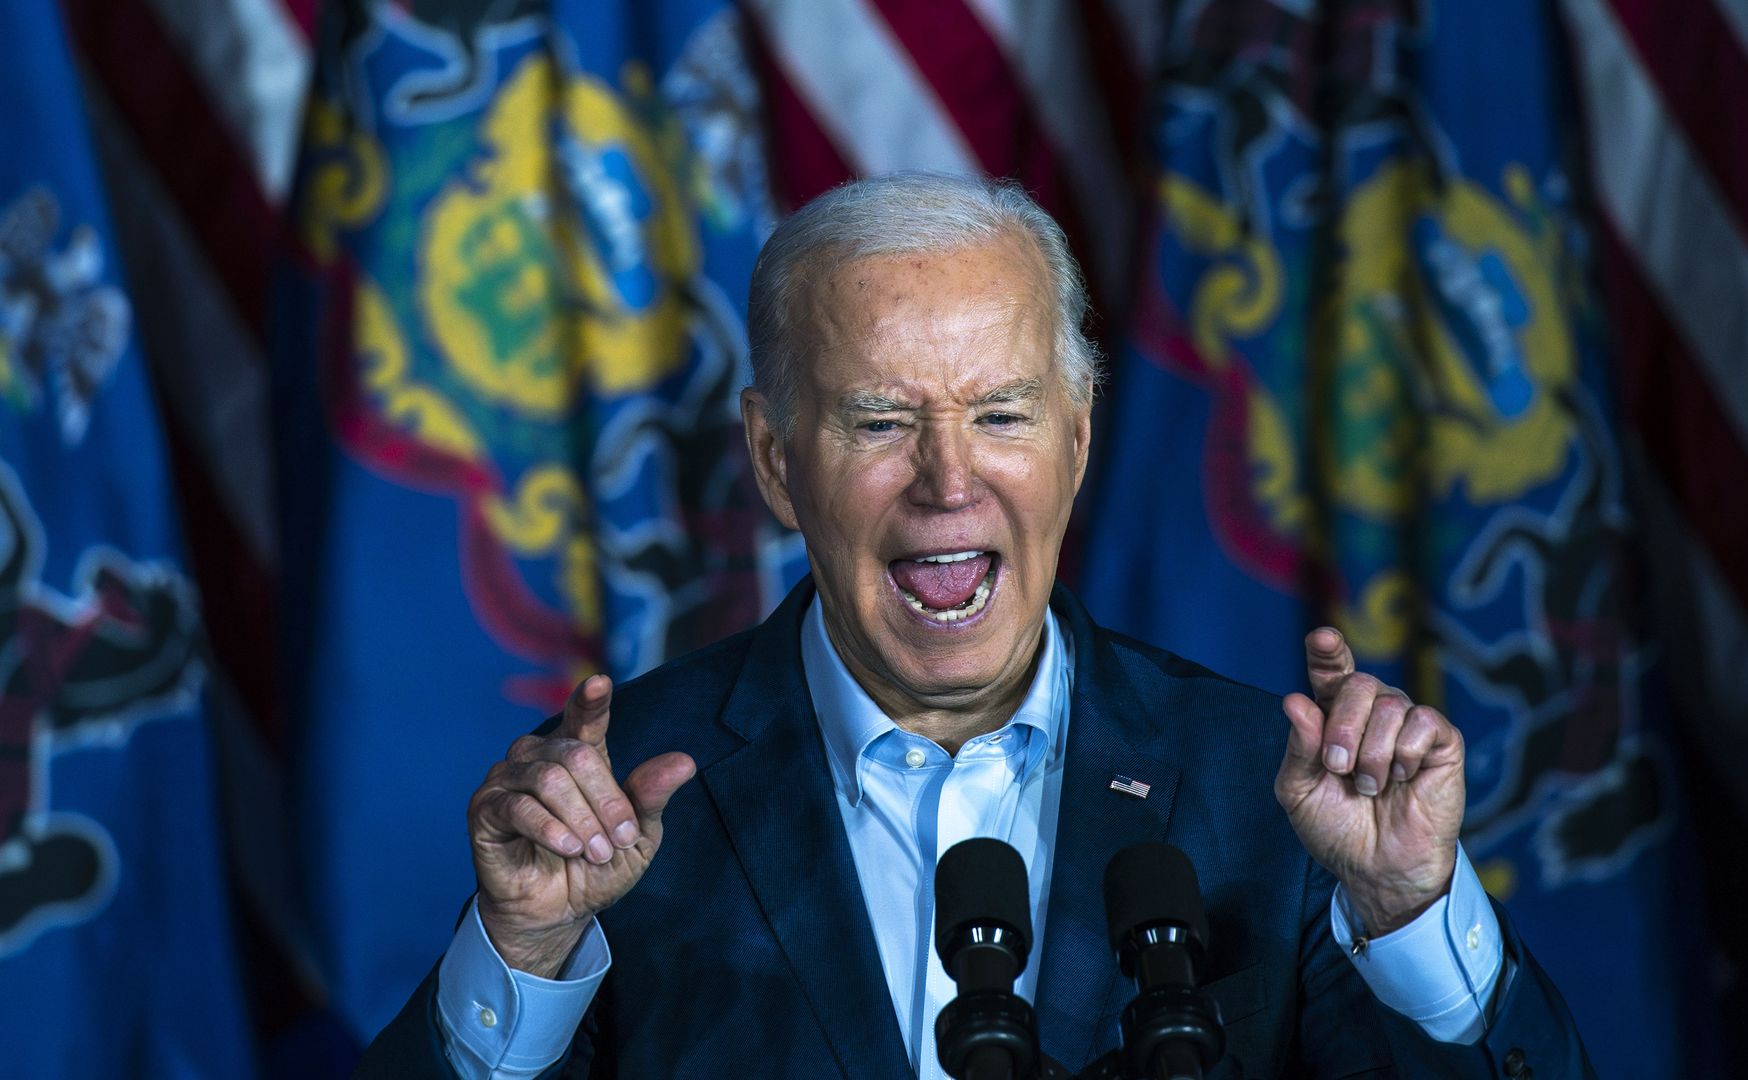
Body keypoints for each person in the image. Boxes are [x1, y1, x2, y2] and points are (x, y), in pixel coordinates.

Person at [359, 173, 1591, 1078]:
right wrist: (523, 954)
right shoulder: (615, 802)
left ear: (1078, 441)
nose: (949, 483)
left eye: (1001, 414)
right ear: (777, 460)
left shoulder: (1272, 791)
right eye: (880, 423)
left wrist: (1411, 911)